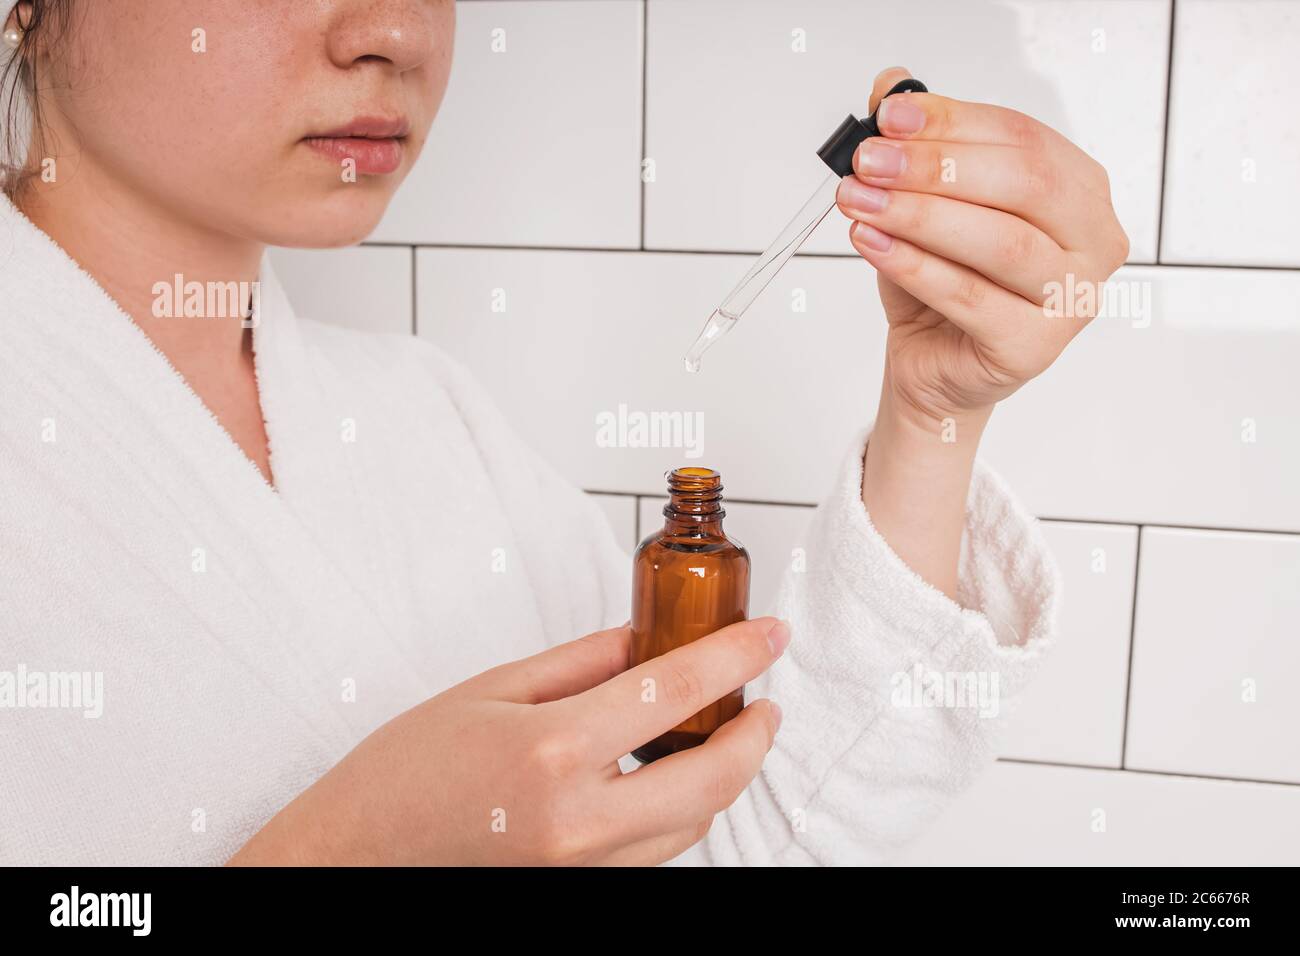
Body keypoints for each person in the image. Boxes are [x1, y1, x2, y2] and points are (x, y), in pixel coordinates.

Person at [0, 0, 1128, 865]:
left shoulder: (429, 421)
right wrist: (340, 849)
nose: (392, 31)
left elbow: (721, 829)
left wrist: (932, 413)